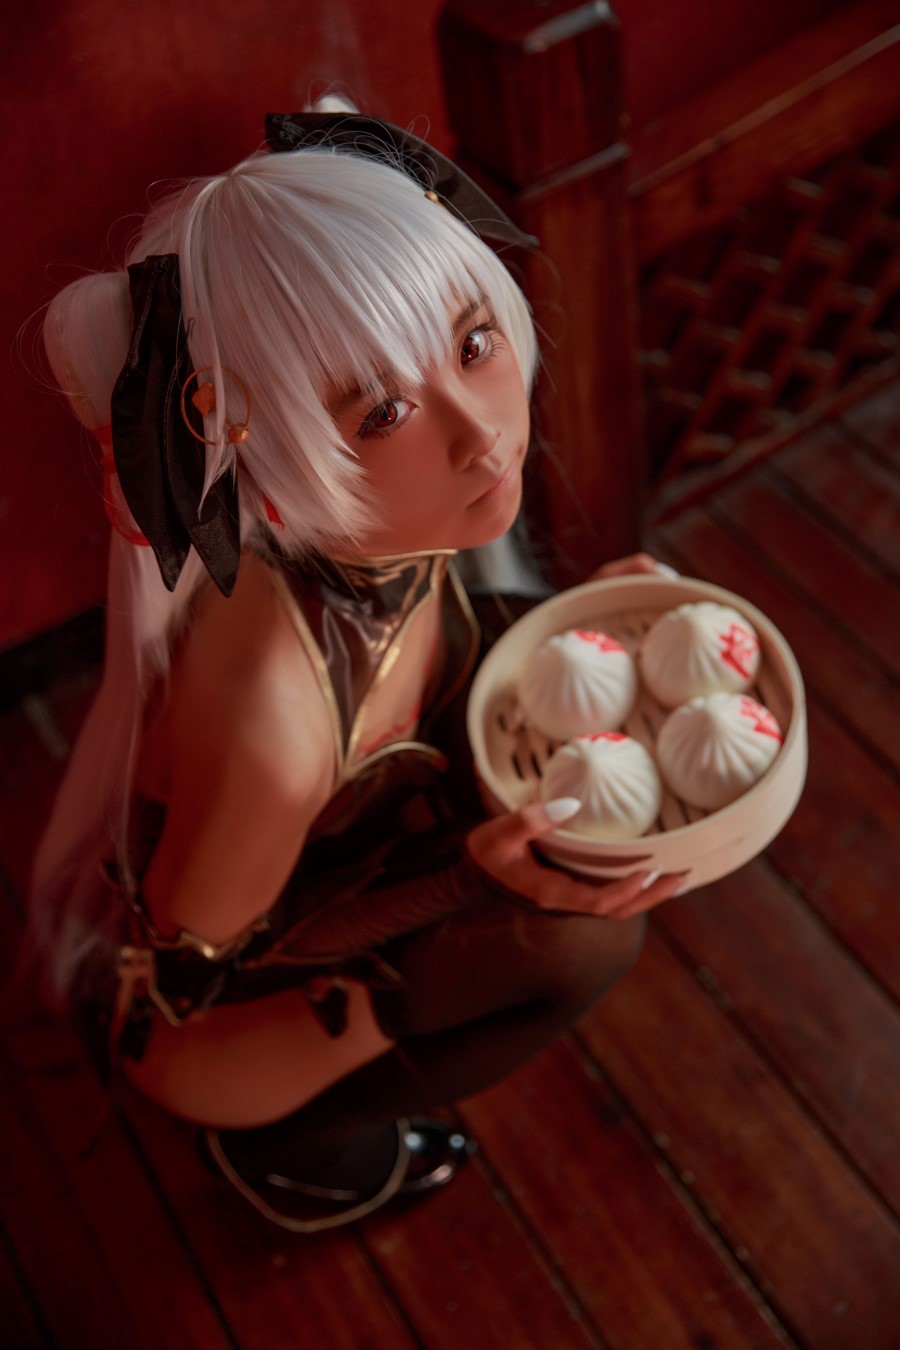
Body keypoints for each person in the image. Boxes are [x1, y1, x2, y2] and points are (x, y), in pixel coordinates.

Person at [29, 110, 684, 1232]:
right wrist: (463, 886)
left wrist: (586, 627)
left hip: (345, 850)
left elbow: (437, 645)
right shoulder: (273, 725)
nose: (482, 432)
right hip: (219, 1030)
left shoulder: (374, 528)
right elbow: (189, 987)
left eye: (472, 343)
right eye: (383, 411)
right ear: (269, 453)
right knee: (574, 938)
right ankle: (294, 1152)